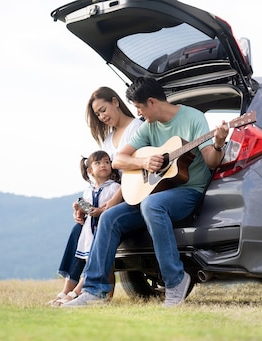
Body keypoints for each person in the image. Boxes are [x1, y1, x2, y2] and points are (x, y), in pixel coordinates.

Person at [63, 77, 229, 308]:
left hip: (188, 191)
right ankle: (95, 292)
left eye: (139, 108)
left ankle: (176, 281)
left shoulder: (193, 118)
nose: (139, 114)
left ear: (151, 102)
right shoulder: (149, 127)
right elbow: (119, 160)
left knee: (152, 205)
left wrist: (219, 143)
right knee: (110, 217)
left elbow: (211, 161)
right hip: (152, 194)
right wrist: (143, 161)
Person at [49, 87, 143, 304]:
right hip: (107, 201)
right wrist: (82, 208)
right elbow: (100, 183)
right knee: (78, 228)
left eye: (103, 110)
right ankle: (68, 288)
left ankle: (87, 291)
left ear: (115, 101)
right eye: (98, 114)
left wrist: (110, 204)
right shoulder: (108, 141)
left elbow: (132, 174)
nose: (102, 117)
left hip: (130, 196)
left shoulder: (137, 128)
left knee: (102, 223)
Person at [51, 150, 121, 306]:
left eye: (107, 162)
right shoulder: (88, 191)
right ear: (90, 170)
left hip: (101, 230)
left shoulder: (115, 188)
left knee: (92, 260)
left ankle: (75, 292)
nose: (104, 165)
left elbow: (111, 208)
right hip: (88, 232)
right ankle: (69, 291)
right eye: (98, 163)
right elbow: (87, 209)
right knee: (83, 254)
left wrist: (99, 211)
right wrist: (78, 208)